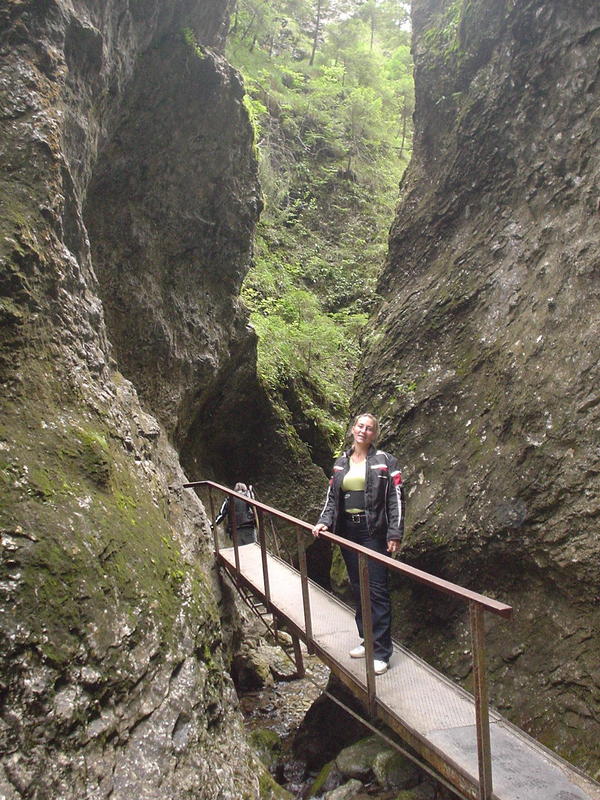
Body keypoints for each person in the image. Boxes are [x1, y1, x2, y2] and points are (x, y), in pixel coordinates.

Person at [312, 413, 404, 675]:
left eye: (369, 428)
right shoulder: (341, 463)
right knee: (358, 586)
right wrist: (324, 522)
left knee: (377, 589)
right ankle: (367, 639)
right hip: (347, 531)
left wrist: (395, 533)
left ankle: (382, 652)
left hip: (373, 531)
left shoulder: (385, 461)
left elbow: (396, 498)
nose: (364, 431)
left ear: (375, 434)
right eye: (360, 426)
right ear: (353, 429)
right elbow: (332, 498)